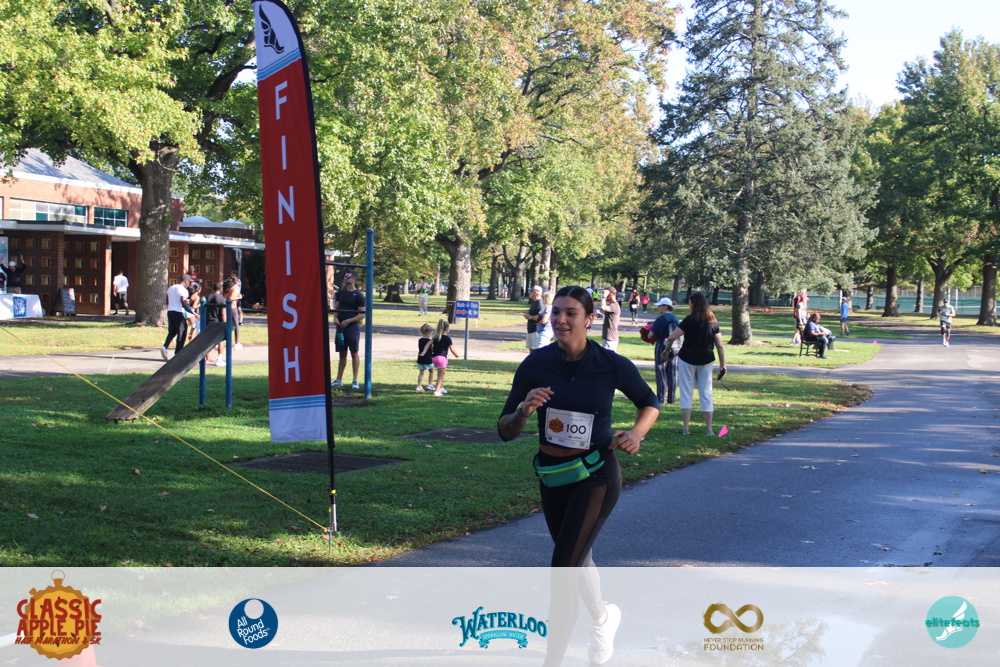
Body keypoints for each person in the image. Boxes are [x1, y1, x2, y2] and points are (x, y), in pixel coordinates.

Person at [497, 285, 660, 665]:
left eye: (571, 313)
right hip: (553, 476)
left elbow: (649, 402)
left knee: (563, 570)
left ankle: (552, 660)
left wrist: (637, 434)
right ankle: (603, 619)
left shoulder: (610, 363)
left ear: (590, 319)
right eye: (556, 312)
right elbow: (504, 430)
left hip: (596, 474)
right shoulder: (536, 364)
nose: (560, 319)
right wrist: (523, 411)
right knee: (576, 558)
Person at [664, 292, 726, 435]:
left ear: (693, 303)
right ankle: (709, 428)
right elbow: (720, 346)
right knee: (706, 393)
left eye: (690, 302)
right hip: (706, 359)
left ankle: (686, 428)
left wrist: (667, 350)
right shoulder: (713, 321)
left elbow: (672, 336)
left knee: (686, 392)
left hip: (687, 358)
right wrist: (722, 365)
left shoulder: (690, 320)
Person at [332, 271, 366, 389]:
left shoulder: (358, 295)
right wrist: (335, 318)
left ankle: (355, 381)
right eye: (345, 276)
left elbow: (362, 314)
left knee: (354, 352)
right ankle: (338, 380)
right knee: (342, 353)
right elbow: (337, 308)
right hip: (340, 328)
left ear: (354, 279)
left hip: (352, 328)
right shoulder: (341, 293)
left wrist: (349, 321)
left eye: (348, 277)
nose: (345, 278)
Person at [651, 297, 681, 404]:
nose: (658, 308)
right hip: (675, 347)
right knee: (673, 372)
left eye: (659, 306)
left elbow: (650, 335)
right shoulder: (675, 318)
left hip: (662, 346)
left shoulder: (660, 319)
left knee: (661, 372)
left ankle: (661, 398)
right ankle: (672, 398)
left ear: (665, 307)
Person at [161, 274, 196, 359]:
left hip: (170, 311)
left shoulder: (171, 288)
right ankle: (178, 353)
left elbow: (167, 301)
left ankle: (165, 346)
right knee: (182, 332)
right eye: (189, 282)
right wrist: (193, 313)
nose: (189, 284)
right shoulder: (183, 290)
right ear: (185, 281)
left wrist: (177, 302)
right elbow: (183, 303)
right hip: (179, 312)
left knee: (172, 331)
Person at [422, 319, 458, 396]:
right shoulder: (447, 338)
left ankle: (441, 387)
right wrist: (456, 354)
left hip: (434, 358)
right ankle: (437, 391)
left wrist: (424, 351)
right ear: (447, 328)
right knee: (440, 375)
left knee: (442, 373)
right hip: (441, 358)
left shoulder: (435, 337)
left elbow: (428, 344)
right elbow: (452, 349)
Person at [203, 282, 228, 365]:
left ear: (212, 288)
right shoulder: (222, 299)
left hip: (208, 321)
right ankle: (219, 359)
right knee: (220, 341)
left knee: (207, 341)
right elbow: (223, 314)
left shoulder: (207, 297)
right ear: (221, 289)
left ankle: (207, 358)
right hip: (217, 321)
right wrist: (225, 324)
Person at [415, 323, 437, 391]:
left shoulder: (420, 340)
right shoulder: (430, 341)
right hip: (428, 358)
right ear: (429, 333)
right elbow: (432, 349)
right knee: (432, 371)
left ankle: (419, 386)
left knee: (421, 373)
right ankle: (430, 384)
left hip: (420, 358)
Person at [223, 278, 243, 350]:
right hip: (233, 307)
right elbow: (231, 297)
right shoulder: (235, 287)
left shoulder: (227, 287)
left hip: (225, 307)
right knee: (236, 325)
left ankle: (227, 342)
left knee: (227, 325)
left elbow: (225, 297)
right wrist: (239, 297)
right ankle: (236, 343)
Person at [599, 286, 621, 351]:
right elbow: (611, 317)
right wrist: (602, 316)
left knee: (607, 357)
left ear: (610, 295)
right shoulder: (612, 305)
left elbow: (603, 307)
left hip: (610, 339)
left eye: (606, 294)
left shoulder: (614, 305)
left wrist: (604, 297)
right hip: (608, 338)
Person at [523, 285, 543, 350]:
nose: (529, 293)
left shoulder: (540, 303)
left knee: (536, 350)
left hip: (536, 329)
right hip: (530, 329)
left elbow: (540, 317)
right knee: (530, 348)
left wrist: (529, 317)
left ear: (536, 292)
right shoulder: (535, 302)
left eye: (531, 291)